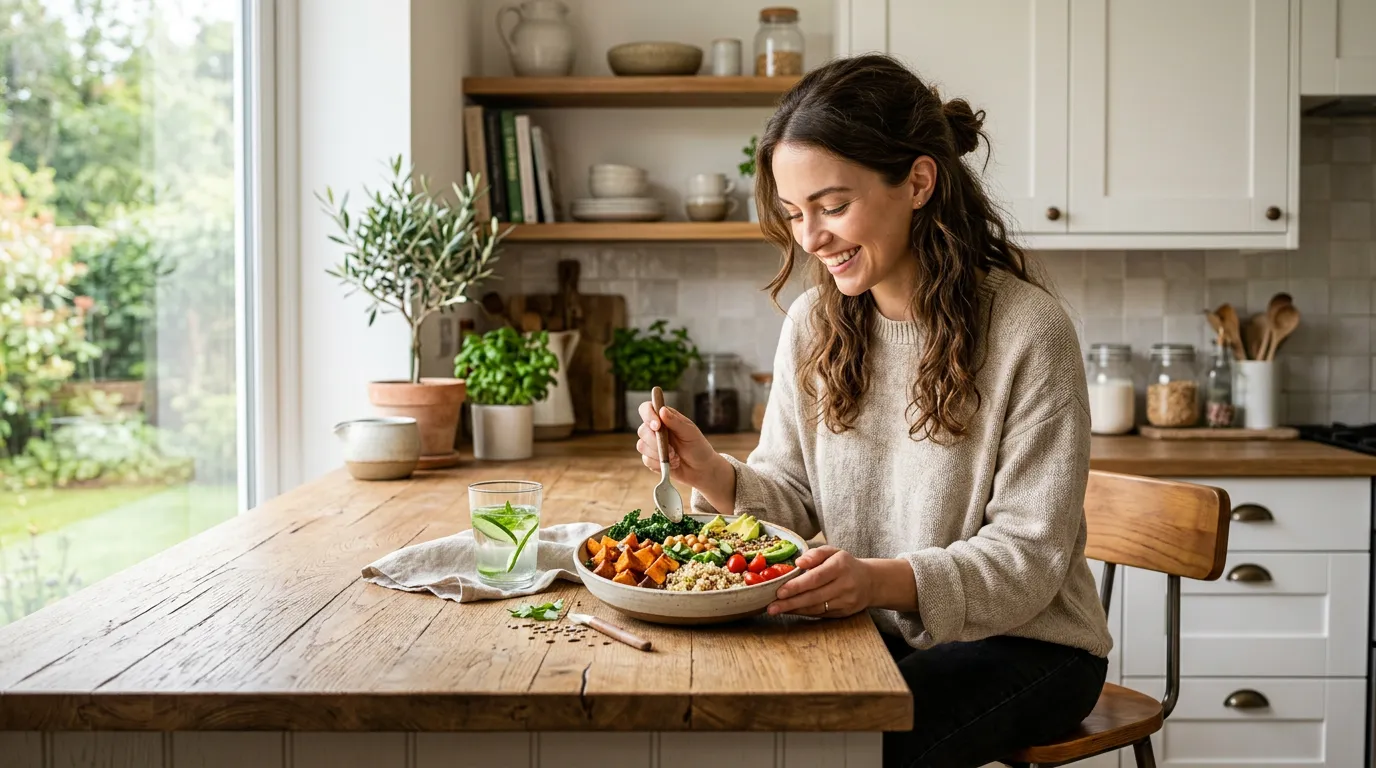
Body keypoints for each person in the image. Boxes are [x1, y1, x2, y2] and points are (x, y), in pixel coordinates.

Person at [634, 53, 1112, 768]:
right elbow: (790, 498)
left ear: (918, 181)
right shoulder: (813, 322)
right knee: (743, 717)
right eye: (795, 214)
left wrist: (876, 580)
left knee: (843, 747)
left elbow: (1028, 560)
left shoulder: (1028, 332)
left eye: (832, 205)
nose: (810, 238)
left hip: (1029, 645)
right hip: (877, 622)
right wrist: (712, 475)